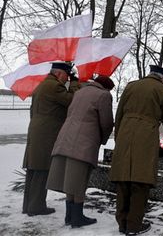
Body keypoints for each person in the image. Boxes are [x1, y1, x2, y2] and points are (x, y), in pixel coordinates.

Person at [110, 65, 163, 235]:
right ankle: (133, 226)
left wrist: (119, 137)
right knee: (140, 182)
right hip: (145, 137)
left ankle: (122, 222)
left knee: (123, 179)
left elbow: (119, 114)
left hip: (125, 133)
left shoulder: (131, 85)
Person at [46, 75, 115, 228]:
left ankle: (69, 215)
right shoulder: (104, 95)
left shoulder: (79, 92)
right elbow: (106, 122)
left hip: (66, 138)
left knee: (71, 180)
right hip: (84, 142)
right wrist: (102, 139)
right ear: (106, 87)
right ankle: (77, 217)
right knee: (80, 180)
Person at [22, 62, 80, 216]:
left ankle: (28, 205)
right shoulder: (54, 86)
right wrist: (75, 83)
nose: (67, 79)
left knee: (33, 169)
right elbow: (73, 100)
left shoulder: (42, 85)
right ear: (60, 73)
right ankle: (36, 207)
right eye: (67, 76)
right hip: (46, 133)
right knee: (42, 169)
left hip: (37, 130)